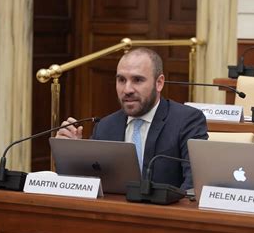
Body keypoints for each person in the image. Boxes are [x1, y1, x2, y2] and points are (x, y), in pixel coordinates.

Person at [56, 47, 208, 190]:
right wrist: (72, 155)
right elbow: (91, 185)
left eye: (137, 80)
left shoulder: (186, 121)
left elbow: (193, 186)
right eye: (121, 80)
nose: (127, 89)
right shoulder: (105, 127)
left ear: (159, 83)